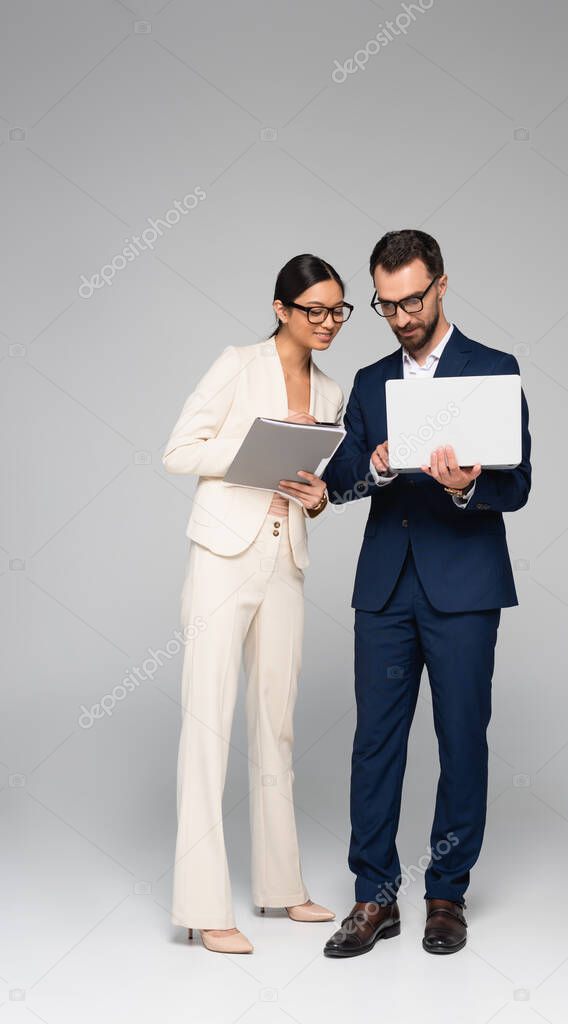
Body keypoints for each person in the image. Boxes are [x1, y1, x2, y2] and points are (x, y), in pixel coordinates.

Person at [320, 229, 532, 958]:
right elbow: (339, 483)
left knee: (460, 740)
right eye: (386, 304)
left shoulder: (493, 369)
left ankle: (446, 894)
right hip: (384, 588)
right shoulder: (372, 380)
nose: (403, 316)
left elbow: (518, 485)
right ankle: (373, 898)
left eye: (413, 298)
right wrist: (374, 468)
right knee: (373, 744)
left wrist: (468, 483)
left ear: (441, 284)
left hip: (464, 587)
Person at [162, 254, 352, 954]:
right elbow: (178, 451)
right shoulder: (236, 364)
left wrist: (319, 496)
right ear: (281, 308)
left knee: (275, 722)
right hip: (222, 556)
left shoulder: (332, 393)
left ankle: (281, 887)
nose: (328, 323)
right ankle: (203, 906)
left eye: (338, 310)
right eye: (314, 311)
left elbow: (317, 483)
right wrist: (255, 446)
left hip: (286, 558)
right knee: (206, 723)